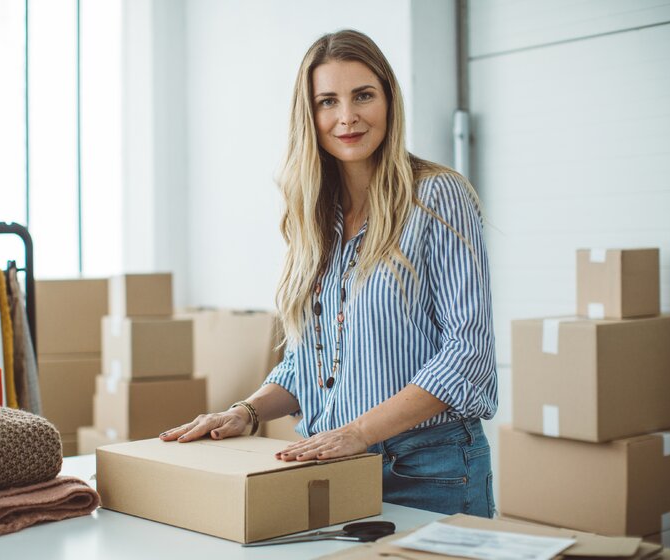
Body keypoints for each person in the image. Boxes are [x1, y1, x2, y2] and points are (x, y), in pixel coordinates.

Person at [161, 29, 497, 517]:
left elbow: (467, 356)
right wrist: (246, 412)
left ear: (389, 100)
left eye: (363, 95)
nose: (347, 117)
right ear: (309, 115)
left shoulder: (439, 198)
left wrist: (359, 433)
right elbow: (313, 363)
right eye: (327, 101)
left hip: (431, 470)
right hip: (333, 466)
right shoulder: (313, 216)